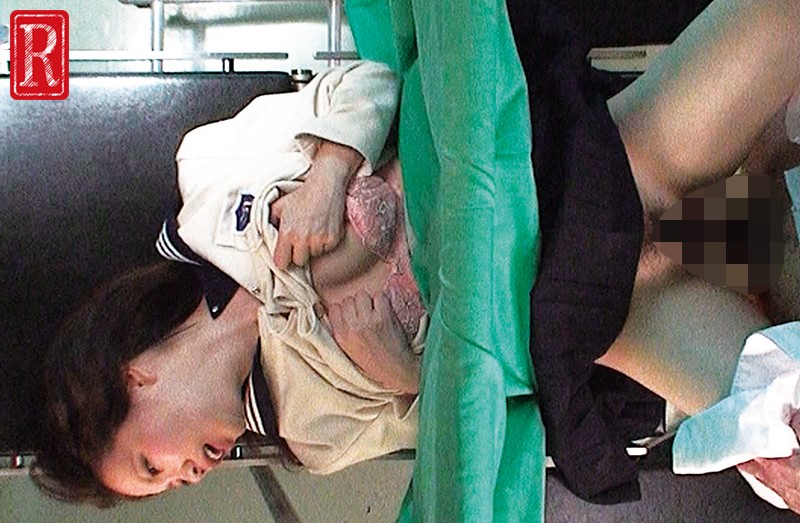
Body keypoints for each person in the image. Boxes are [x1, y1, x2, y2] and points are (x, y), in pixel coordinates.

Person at [29, 0, 800, 512]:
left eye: (152, 466)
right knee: (784, 437)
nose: (186, 476)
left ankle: (765, 197)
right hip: (601, 318)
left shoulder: (208, 181)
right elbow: (468, 421)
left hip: (564, 172)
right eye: (167, 485)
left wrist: (330, 171)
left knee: (760, 82)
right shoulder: (313, 439)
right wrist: (402, 371)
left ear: (134, 376)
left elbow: (367, 83)